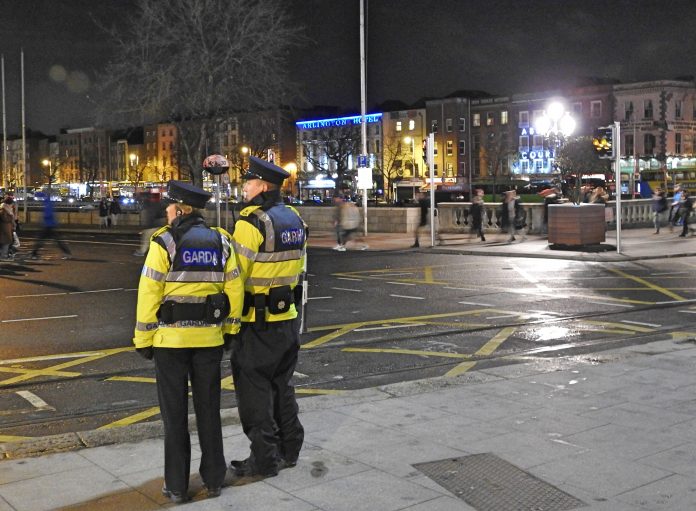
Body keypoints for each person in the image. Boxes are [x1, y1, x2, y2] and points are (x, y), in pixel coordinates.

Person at [132, 180, 243, 503]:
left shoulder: (164, 241)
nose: (166, 210)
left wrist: (143, 338)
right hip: (209, 340)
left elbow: (149, 293)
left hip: (170, 342)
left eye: (169, 206)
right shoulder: (221, 241)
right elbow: (234, 288)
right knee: (209, 412)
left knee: (175, 417)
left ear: (180, 209)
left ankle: (177, 486)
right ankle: (214, 479)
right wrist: (230, 330)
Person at [228, 156, 307, 483]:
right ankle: (290, 448)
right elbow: (300, 268)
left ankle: (264, 459)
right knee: (282, 386)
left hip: (255, 322)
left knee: (255, 392)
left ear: (262, 186)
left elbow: (234, 279)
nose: (243, 187)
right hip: (287, 318)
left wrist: (230, 325)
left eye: (247, 182)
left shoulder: (251, 223)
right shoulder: (294, 218)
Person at [30, 194, 72, 260]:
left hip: (48, 226)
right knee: (58, 241)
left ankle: (34, 254)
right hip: (51, 225)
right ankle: (67, 253)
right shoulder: (49, 204)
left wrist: (42, 219)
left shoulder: (47, 205)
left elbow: (48, 215)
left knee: (40, 240)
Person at [133, 192, 165, 256]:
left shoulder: (147, 204)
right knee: (156, 240)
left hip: (150, 225)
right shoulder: (158, 203)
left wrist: (144, 227)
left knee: (146, 239)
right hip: (158, 225)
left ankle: (142, 252)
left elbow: (147, 216)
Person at [0, 196, 14, 260]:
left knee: (5, 242)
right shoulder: (4, 209)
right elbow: (4, 218)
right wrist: (11, 218)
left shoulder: (6, 208)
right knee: (6, 242)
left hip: (6, 227)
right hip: (4, 228)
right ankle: (3, 256)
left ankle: (4, 255)